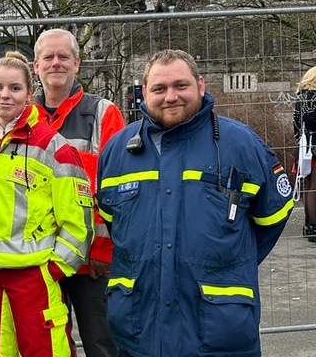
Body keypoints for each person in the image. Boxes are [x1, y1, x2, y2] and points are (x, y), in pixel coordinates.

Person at [97, 49, 293, 356]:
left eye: (181, 85)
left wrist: (228, 261)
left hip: (219, 330)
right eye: (159, 89)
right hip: (140, 328)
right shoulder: (117, 151)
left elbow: (273, 217)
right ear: (144, 93)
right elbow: (113, 220)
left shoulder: (241, 144)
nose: (170, 96)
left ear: (200, 86)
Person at [0, 51, 94, 357]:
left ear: (30, 93)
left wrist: (56, 268)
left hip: (32, 274)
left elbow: (78, 216)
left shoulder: (52, 145)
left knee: (44, 350)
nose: (5, 96)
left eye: (15, 88)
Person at [33, 28, 123, 357]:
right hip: (41, 257)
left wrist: (103, 248)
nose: (56, 63)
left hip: (91, 261)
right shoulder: (24, 118)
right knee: (51, 345)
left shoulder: (103, 114)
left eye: (64, 57)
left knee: (102, 342)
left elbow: (117, 189)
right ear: (35, 65)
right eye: (48, 57)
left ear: (77, 63)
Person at [294, 66, 316, 241]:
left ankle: (309, 225)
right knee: (314, 187)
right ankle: (314, 228)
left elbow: (296, 125)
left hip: (304, 147)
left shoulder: (300, 97)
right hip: (315, 146)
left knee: (309, 186)